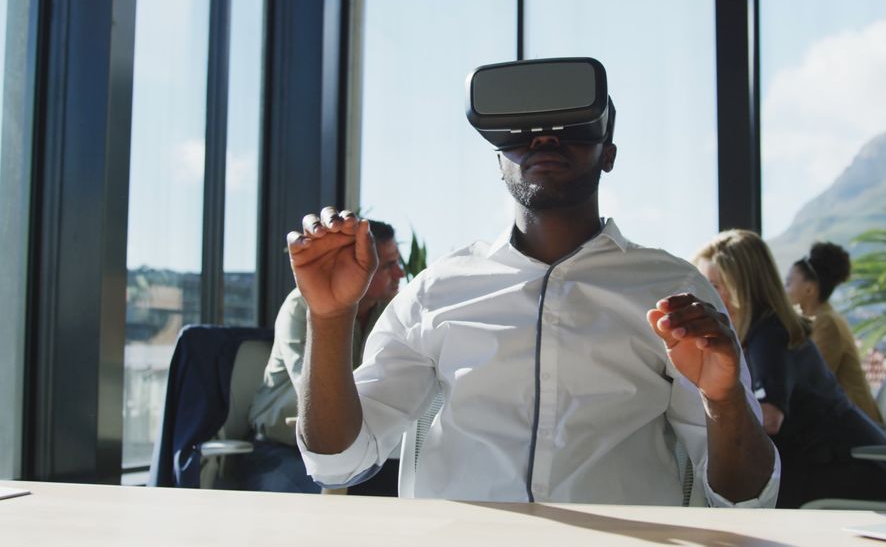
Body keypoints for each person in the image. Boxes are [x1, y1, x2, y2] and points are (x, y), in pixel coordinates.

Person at [284, 57, 779, 507]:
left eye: (571, 128)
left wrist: (724, 397)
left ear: (607, 153)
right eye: (519, 132)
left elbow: (747, 501)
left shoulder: (672, 290)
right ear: (496, 159)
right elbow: (337, 461)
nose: (544, 139)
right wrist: (329, 318)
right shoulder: (437, 291)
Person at [694, 230, 886, 508]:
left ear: (740, 286)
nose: (707, 296)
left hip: (854, 468)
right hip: (862, 460)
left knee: (742, 496)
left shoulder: (769, 335)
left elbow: (769, 418)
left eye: (715, 286)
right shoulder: (767, 330)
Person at [244, 219, 406, 494]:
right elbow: (317, 395)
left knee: (405, 489)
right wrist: (328, 314)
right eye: (388, 265)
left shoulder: (385, 312)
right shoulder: (304, 304)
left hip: (351, 447)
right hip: (282, 449)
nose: (400, 273)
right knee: (331, 503)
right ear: (359, 261)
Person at [785, 242, 883, 424]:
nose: (784, 291)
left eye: (789, 283)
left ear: (809, 289)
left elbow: (812, 383)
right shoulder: (822, 319)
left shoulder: (827, 323)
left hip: (856, 427)